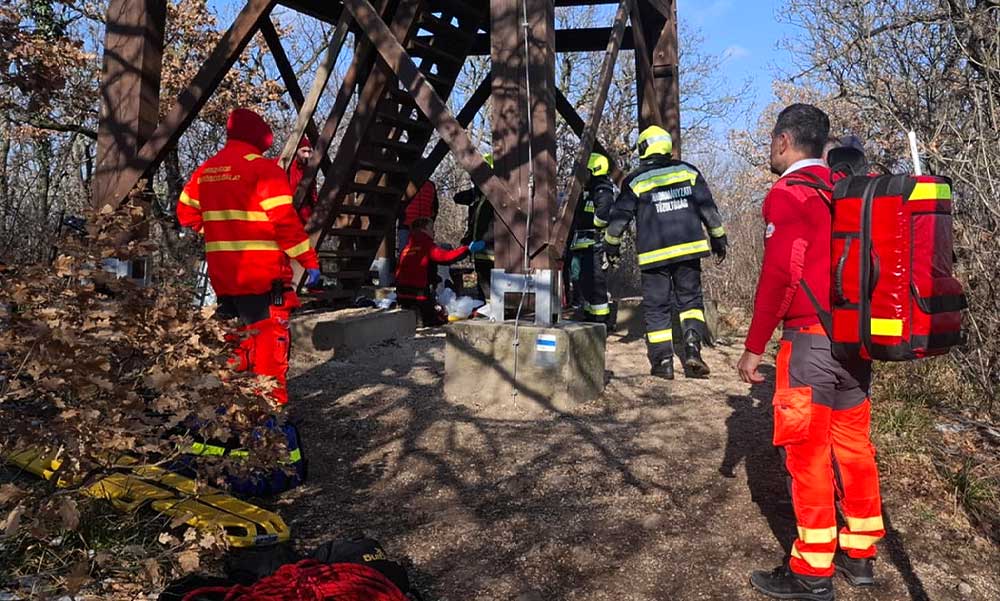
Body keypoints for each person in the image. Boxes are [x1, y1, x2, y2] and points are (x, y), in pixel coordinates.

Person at [737, 104, 883, 601]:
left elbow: (782, 274)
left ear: (782, 141)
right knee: (855, 450)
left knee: (807, 455)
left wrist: (754, 346)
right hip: (854, 345)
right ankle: (860, 556)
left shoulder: (789, 193)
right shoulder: (845, 190)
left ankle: (812, 571)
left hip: (808, 347)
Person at [177, 108, 322, 406]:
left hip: (225, 280)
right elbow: (286, 225)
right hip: (264, 281)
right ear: (260, 136)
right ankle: (270, 427)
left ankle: (230, 418)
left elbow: (185, 213)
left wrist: (219, 231)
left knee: (235, 351)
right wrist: (309, 261)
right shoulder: (263, 170)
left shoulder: (207, 170)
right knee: (270, 358)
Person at [604, 125, 727, 379]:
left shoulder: (636, 180)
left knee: (657, 308)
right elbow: (709, 210)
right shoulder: (688, 172)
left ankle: (663, 363)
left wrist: (611, 244)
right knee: (691, 302)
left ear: (644, 149)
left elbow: (619, 217)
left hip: (654, 256)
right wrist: (719, 239)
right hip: (689, 252)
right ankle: (693, 349)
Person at [395, 218, 483, 326]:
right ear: (425, 229)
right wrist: (467, 249)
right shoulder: (426, 245)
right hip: (419, 296)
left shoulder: (406, 249)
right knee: (437, 320)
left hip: (401, 294)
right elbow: (446, 257)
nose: (434, 232)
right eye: (431, 229)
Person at [568, 153, 616, 324]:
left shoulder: (603, 189)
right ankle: (590, 314)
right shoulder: (588, 190)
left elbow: (602, 215)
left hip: (595, 244)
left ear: (594, 170)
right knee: (584, 281)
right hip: (584, 244)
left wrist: (594, 226)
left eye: (586, 171)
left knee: (596, 282)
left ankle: (601, 318)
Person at [454, 153, 496, 300]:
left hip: (491, 249)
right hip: (479, 248)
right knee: (482, 282)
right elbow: (458, 197)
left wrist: (488, 241)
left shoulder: (496, 197)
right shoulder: (479, 197)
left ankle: (490, 307)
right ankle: (483, 305)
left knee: (490, 284)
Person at [398, 180, 440, 252]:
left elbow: (435, 206)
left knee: (422, 253)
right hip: (408, 225)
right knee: (405, 252)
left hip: (423, 226)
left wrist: (430, 222)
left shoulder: (430, 185)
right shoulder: (407, 183)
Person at [284, 136, 318, 224]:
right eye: (304, 151)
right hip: (288, 214)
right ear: (296, 151)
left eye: (309, 151)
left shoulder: (309, 170)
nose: (307, 155)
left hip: (305, 217)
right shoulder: (284, 166)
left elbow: (313, 194)